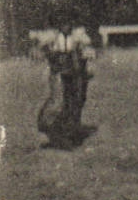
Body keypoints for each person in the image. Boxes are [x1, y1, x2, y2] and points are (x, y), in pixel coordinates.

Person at [33, 22, 96, 150]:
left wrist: (87, 62)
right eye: (62, 21)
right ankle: (53, 131)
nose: (66, 25)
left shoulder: (79, 35)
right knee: (58, 101)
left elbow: (88, 53)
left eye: (68, 21)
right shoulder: (51, 36)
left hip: (77, 72)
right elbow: (39, 50)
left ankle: (70, 133)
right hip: (58, 72)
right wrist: (48, 53)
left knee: (76, 101)